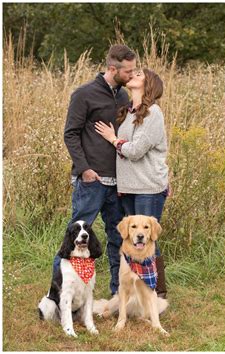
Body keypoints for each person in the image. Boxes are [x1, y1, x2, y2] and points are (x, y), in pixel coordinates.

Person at [59, 44, 136, 296]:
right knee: (74, 237)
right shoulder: (84, 94)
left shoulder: (124, 96)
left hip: (119, 183)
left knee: (118, 238)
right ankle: (58, 293)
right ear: (112, 68)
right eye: (128, 71)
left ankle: (117, 294)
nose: (132, 75)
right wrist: (84, 169)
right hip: (92, 181)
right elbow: (70, 134)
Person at [95, 68, 169, 299]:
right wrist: (122, 144)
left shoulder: (154, 113)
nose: (133, 76)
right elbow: (129, 149)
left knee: (149, 239)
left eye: (139, 74)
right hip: (127, 188)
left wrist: (114, 139)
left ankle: (158, 293)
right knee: (131, 240)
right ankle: (132, 292)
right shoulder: (128, 112)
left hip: (148, 188)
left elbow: (136, 151)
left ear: (148, 85)